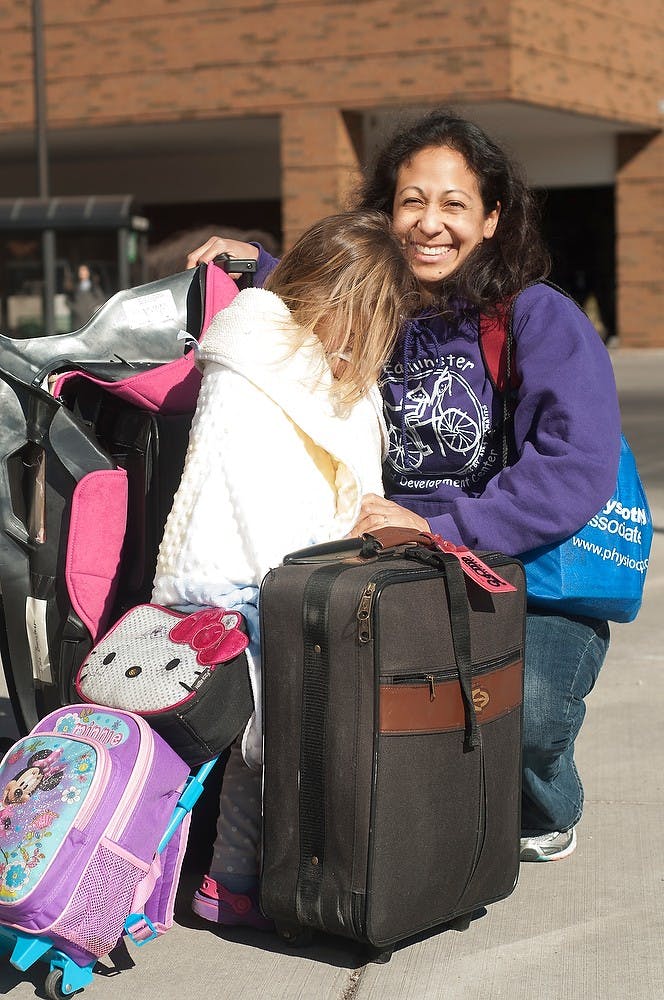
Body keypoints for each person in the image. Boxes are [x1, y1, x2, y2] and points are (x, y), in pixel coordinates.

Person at [186, 109, 622, 866]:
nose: (430, 223)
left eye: (454, 204)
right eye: (410, 201)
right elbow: (323, 289)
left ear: (491, 219)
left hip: (525, 573)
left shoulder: (536, 316)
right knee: (362, 709)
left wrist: (442, 531)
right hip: (396, 566)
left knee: (524, 715)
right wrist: (257, 263)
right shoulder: (380, 310)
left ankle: (548, 803)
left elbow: (573, 467)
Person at [152, 209, 418, 928]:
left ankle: (227, 881)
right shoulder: (259, 363)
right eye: (363, 323)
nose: (363, 345)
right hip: (234, 584)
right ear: (329, 304)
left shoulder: (281, 358)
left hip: (243, 581)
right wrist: (340, 541)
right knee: (254, 739)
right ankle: (181, 873)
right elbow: (266, 497)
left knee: (246, 749)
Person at [67, 263, 106, 328]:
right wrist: (76, 309)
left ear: (88, 272)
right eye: (80, 271)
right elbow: (68, 301)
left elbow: (101, 299)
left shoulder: (94, 287)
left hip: (91, 320)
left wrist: (92, 307)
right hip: (78, 321)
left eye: (84, 270)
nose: (82, 273)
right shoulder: (74, 287)